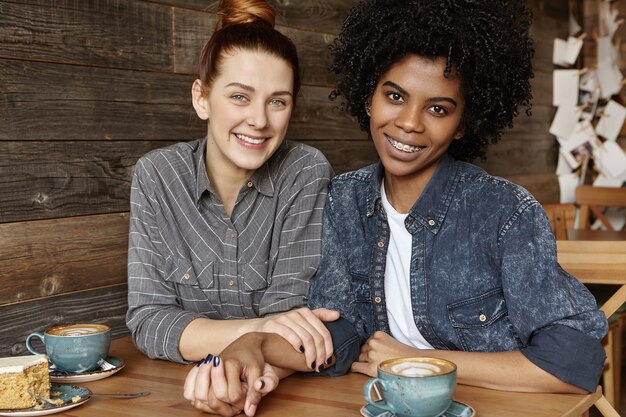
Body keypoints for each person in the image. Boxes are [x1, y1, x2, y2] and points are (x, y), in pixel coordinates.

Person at [183, 0, 609, 415]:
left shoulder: (503, 212)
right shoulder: (343, 200)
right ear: (368, 97)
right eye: (395, 96)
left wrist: (412, 361)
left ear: (462, 124)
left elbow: (573, 364)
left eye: (438, 108)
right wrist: (252, 348)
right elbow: (340, 333)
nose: (409, 123)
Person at [125, 0, 338, 401]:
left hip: (280, 392)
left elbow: (295, 318)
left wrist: (246, 367)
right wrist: (254, 334)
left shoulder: (305, 172)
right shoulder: (157, 176)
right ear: (201, 98)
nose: (259, 120)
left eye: (278, 101)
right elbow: (149, 321)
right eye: (240, 97)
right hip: (174, 392)